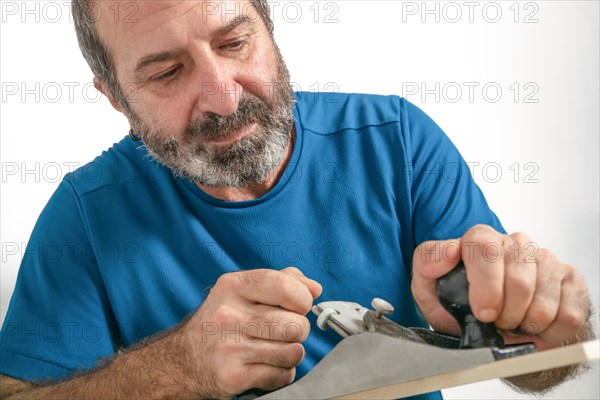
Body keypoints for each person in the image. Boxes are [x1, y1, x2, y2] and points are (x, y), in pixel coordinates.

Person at [0, 1, 594, 399]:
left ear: (269, 27)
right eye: (167, 73)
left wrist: (543, 323)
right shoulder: (84, 212)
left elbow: (544, 364)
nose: (224, 98)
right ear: (114, 97)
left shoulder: (397, 142)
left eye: (234, 42)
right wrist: (178, 367)